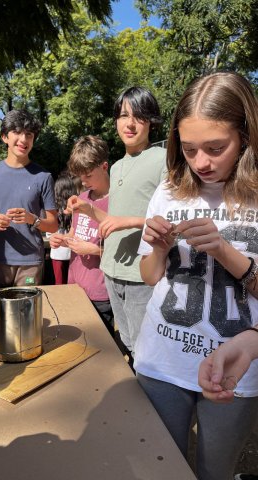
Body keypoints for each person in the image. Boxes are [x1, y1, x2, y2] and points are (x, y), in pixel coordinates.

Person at [132, 72, 258, 480]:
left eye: (216, 148)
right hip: (161, 362)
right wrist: (158, 247)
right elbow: (151, 277)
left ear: (246, 136)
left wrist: (224, 250)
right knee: (156, 468)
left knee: (214, 471)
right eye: (188, 149)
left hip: (235, 372)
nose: (201, 162)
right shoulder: (170, 188)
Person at [67, 87, 166, 359]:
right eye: (123, 115)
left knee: (142, 346)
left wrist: (130, 221)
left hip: (140, 274)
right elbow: (112, 221)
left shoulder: (162, 160)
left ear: (152, 121)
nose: (129, 123)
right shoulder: (117, 166)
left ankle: (142, 399)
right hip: (110, 270)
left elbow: (172, 223)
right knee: (125, 341)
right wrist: (88, 209)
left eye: (139, 116)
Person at [0, 109, 57, 288]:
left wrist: (32, 219)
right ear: (4, 137)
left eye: (29, 134)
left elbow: (53, 224)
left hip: (30, 263)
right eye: (17, 132)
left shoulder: (43, 176)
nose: (23, 140)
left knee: (26, 313)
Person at [50, 135, 114, 336]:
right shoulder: (82, 198)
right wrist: (63, 239)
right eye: (80, 177)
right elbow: (75, 232)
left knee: (101, 346)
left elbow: (124, 249)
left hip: (100, 291)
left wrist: (94, 250)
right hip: (75, 286)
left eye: (88, 175)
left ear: (104, 167)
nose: (84, 182)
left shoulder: (117, 200)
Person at [47, 171, 79, 285]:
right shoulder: (78, 207)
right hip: (74, 254)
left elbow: (48, 233)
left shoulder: (52, 210)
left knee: (59, 286)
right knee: (73, 286)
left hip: (57, 254)